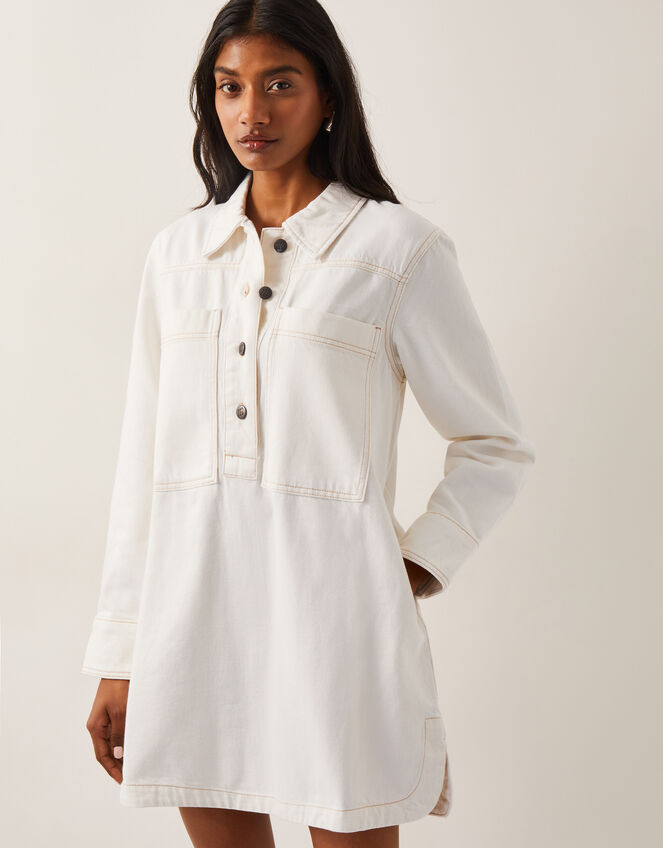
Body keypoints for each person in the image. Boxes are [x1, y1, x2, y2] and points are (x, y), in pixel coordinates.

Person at [82, 0, 536, 845]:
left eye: (279, 84)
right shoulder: (178, 256)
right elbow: (142, 464)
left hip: (336, 628)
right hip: (191, 628)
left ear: (327, 95)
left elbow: (492, 444)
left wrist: (412, 565)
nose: (250, 112)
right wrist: (118, 653)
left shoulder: (397, 250)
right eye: (229, 87)